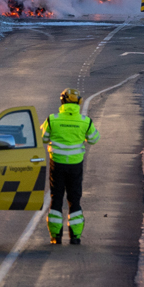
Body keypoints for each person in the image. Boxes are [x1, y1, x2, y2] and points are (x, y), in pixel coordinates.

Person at [41, 89, 100, 245]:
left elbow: (44, 138)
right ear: (78, 102)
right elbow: (94, 139)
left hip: (57, 165)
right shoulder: (85, 121)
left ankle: (56, 236)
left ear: (63, 102)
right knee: (74, 199)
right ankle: (75, 236)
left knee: (56, 199)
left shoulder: (52, 120)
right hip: (75, 166)